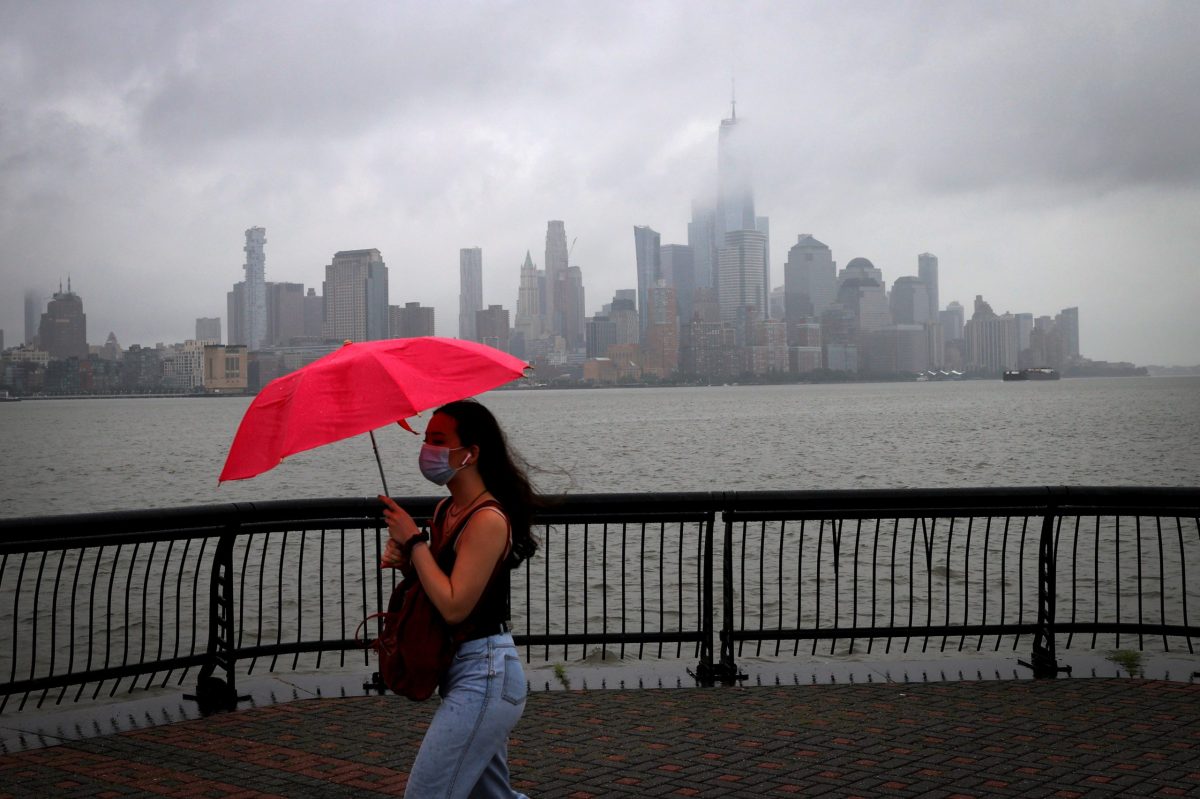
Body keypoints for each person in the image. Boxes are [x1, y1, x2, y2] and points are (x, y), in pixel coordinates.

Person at [379, 399, 537, 799]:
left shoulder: (487, 519)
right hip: (462, 669)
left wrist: (414, 542)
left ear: (471, 453)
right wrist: (407, 562)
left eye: (438, 440)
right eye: (426, 440)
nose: (428, 451)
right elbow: (439, 587)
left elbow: (454, 605)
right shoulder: (446, 509)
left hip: (485, 673)